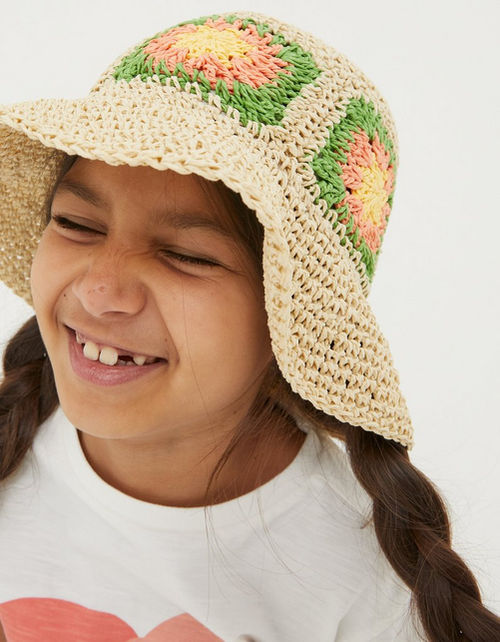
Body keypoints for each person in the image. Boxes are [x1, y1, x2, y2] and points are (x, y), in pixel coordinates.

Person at [0, 10, 498, 642]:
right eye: (77, 223)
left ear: (292, 319)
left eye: (187, 256)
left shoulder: (368, 584)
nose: (102, 292)